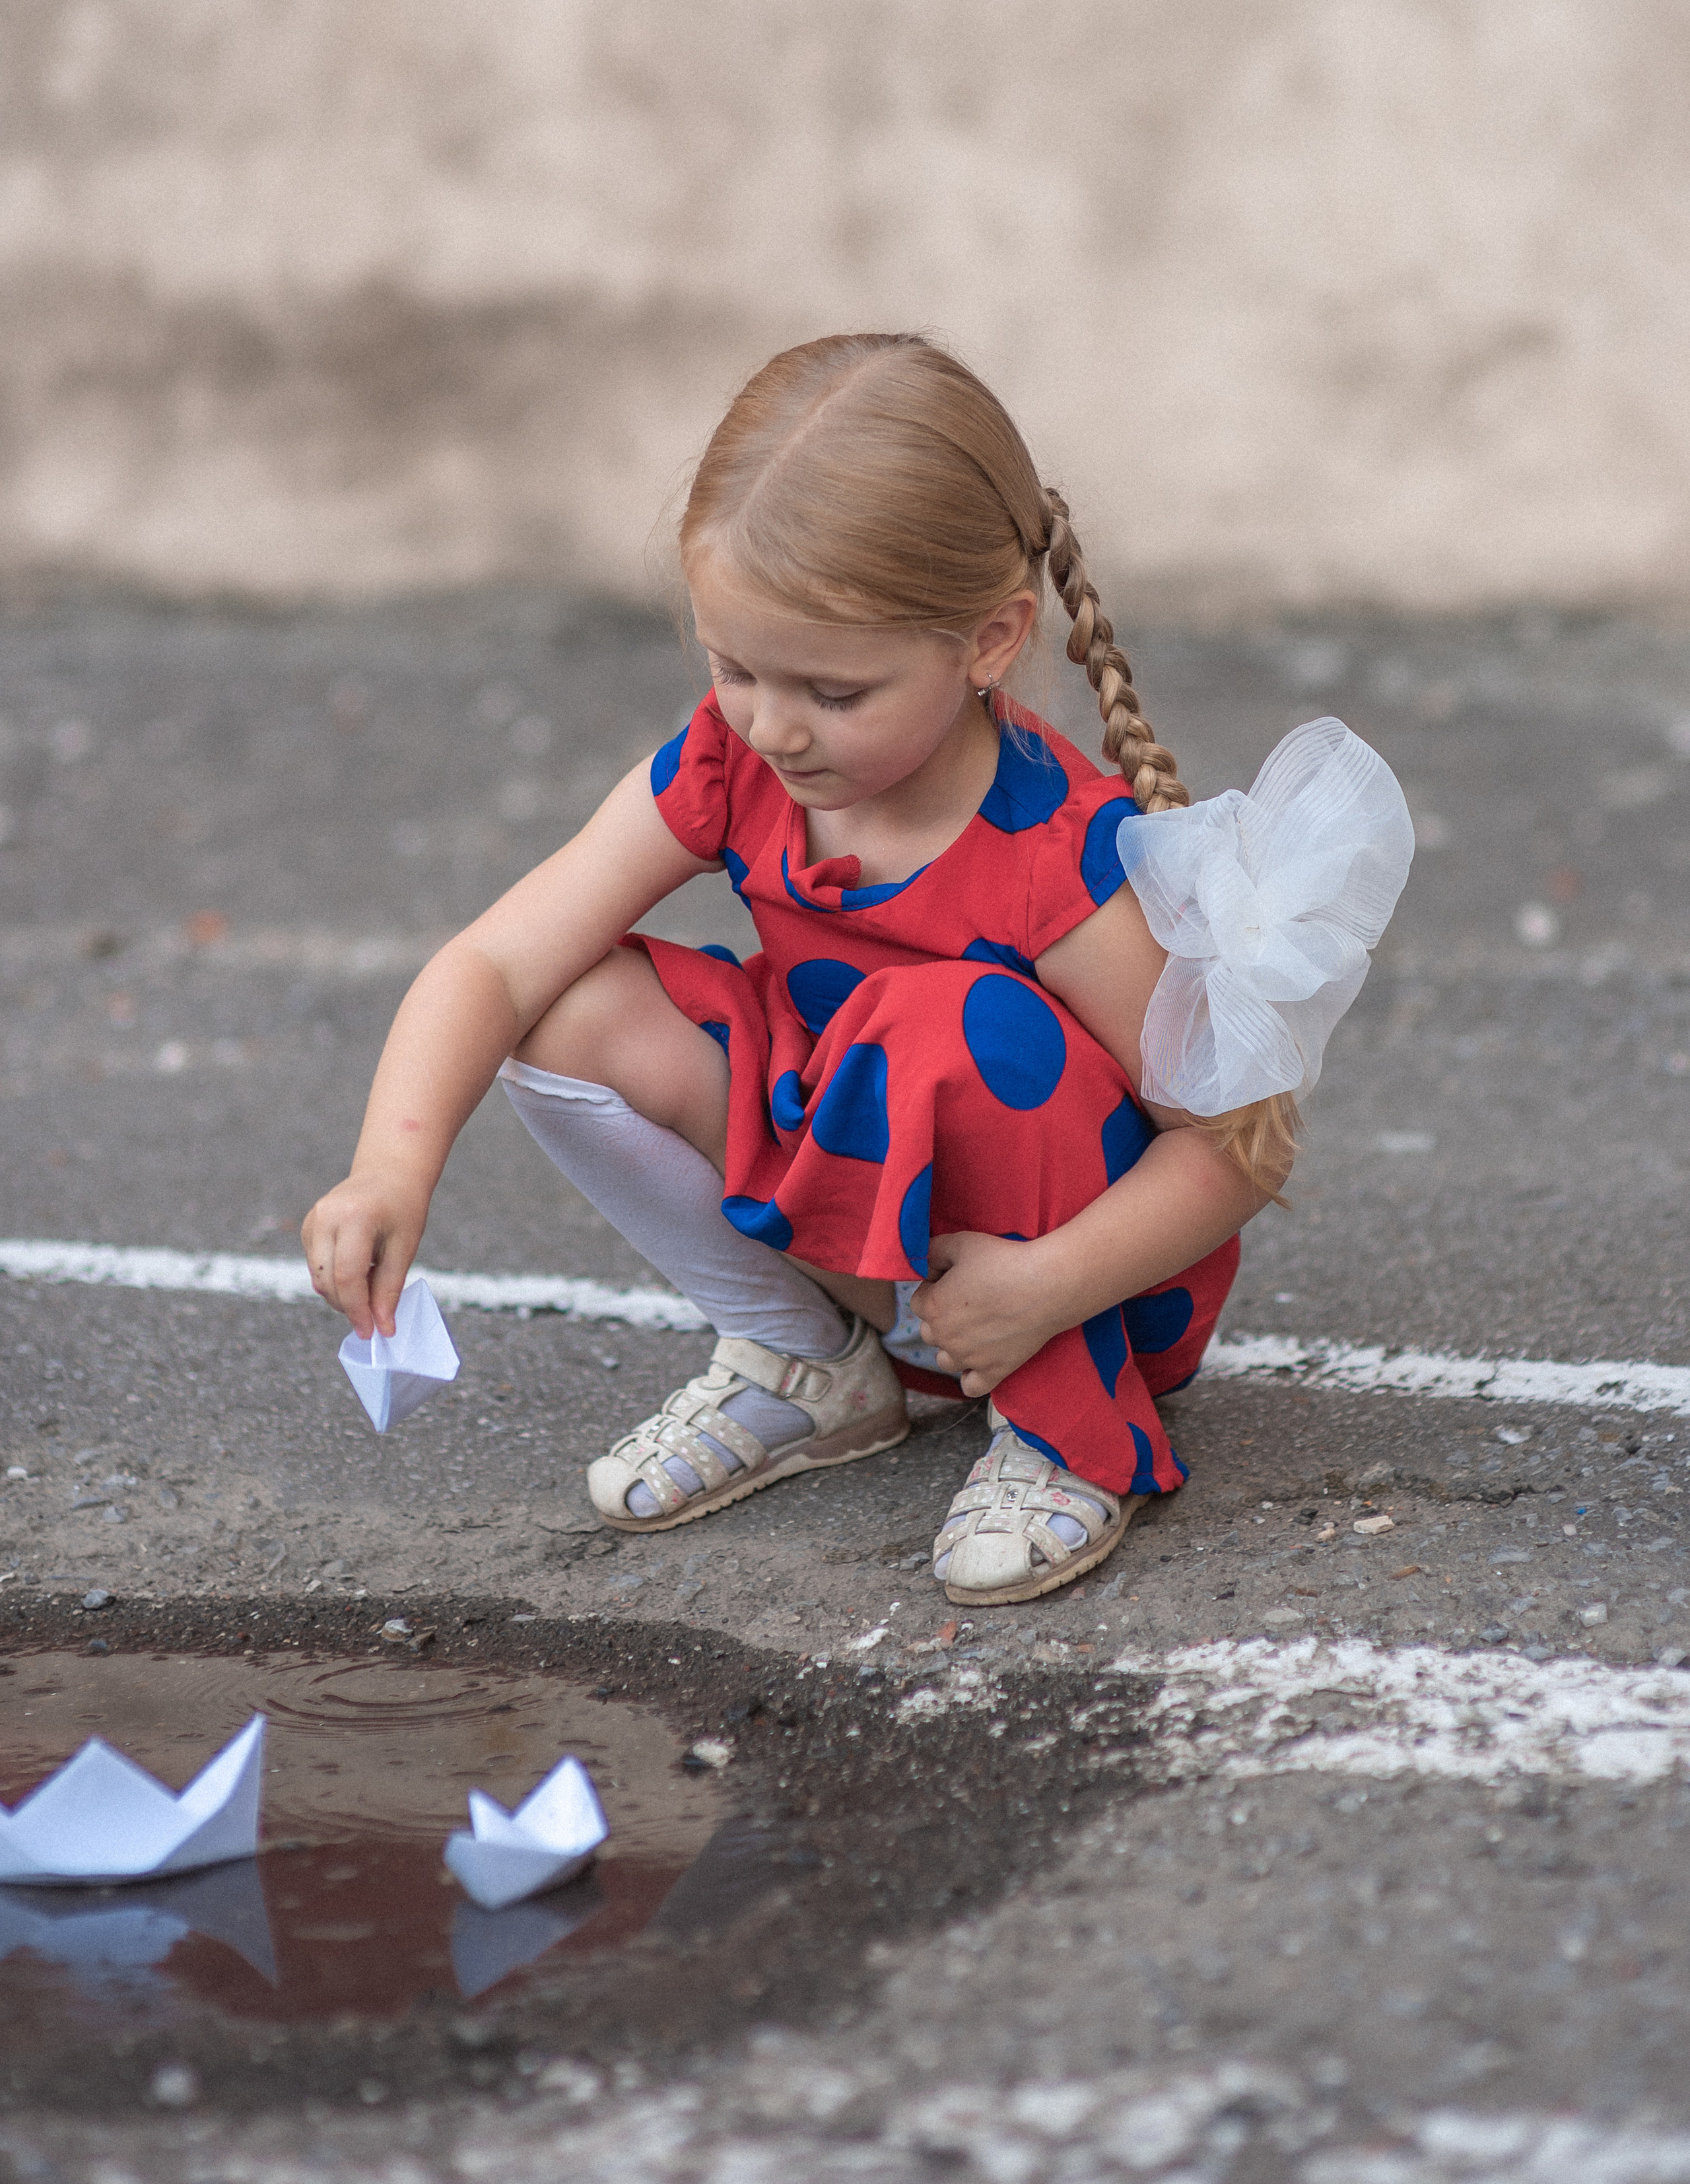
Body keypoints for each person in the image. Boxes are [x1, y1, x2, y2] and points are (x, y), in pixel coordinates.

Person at [303, 333, 1411, 1609]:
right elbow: (496, 961)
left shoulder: (1057, 858)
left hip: (1071, 1285)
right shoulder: (735, 758)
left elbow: (1237, 1148)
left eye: (833, 690)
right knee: (569, 1005)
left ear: (989, 641)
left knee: (951, 1020)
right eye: (734, 668)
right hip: (866, 1226)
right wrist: (391, 1167)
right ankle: (809, 1361)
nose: (774, 727)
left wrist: (1043, 1287)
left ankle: (1070, 1434)